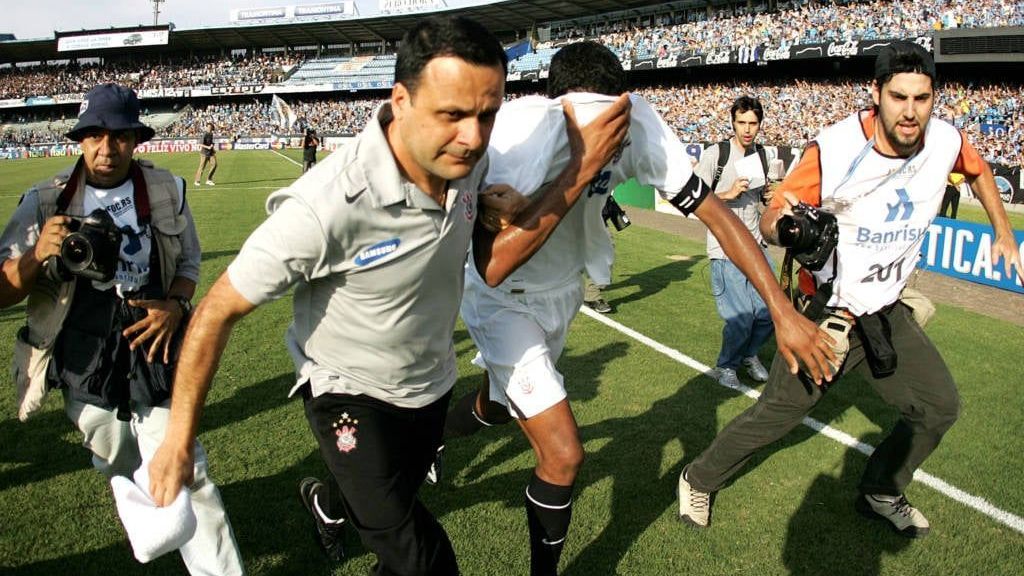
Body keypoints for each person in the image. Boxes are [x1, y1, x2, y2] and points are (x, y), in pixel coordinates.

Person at [146, 17, 631, 576]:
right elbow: (216, 311)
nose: (473, 136)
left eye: (488, 113)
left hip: (430, 388)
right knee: (425, 562)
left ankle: (326, 501)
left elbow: (478, 237)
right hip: (349, 395)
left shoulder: (468, 165)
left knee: (392, 537)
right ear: (400, 101)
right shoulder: (327, 205)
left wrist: (496, 212)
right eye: (451, 114)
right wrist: (178, 440)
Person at [438, 41, 831, 576]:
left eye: (614, 114)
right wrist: (582, 166)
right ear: (558, 106)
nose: (608, 128)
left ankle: (430, 436)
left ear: (625, 102)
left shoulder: (638, 123)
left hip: (561, 291)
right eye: (589, 116)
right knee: (563, 455)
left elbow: (714, 212)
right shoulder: (518, 136)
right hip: (500, 300)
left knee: (500, 406)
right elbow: (491, 268)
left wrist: (782, 310)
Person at [677, 42, 1023, 538]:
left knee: (938, 407)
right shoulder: (837, 147)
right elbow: (778, 211)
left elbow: (979, 168)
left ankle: (882, 488)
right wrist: (789, 230)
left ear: (933, 99)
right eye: (898, 97)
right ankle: (698, 477)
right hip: (825, 315)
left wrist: (1003, 230)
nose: (910, 112)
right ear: (876, 93)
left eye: (922, 99)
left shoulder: (945, 139)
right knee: (779, 413)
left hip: (885, 312)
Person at [0, 83, 244, 575]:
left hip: (154, 346)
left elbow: (191, 259)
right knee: (116, 461)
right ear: (80, 139)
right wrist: (38, 253)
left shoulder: (166, 190)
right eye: (93, 135)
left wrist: (176, 303)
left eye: (118, 136)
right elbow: (3, 290)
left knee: (188, 473)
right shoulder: (44, 201)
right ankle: (151, 510)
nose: (105, 149)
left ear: (136, 139)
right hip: (83, 357)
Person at [694, 96, 775, 388]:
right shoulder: (717, 155)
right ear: (732, 122)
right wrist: (726, 194)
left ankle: (749, 355)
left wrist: (769, 198)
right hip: (725, 246)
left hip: (756, 244)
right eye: (742, 122)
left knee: (769, 312)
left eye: (753, 123)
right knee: (741, 318)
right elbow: (693, 199)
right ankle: (726, 367)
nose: (747, 129)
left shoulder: (762, 156)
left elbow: (760, 200)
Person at [194, 121, 217, 186]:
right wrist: (208, 147)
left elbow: (211, 142)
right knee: (202, 167)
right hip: (204, 153)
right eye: (208, 127)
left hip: (211, 153)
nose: (209, 128)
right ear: (206, 127)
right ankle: (197, 181)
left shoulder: (211, 134)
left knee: (214, 165)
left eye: (210, 127)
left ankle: (209, 180)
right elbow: (200, 144)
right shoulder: (205, 134)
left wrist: (213, 148)